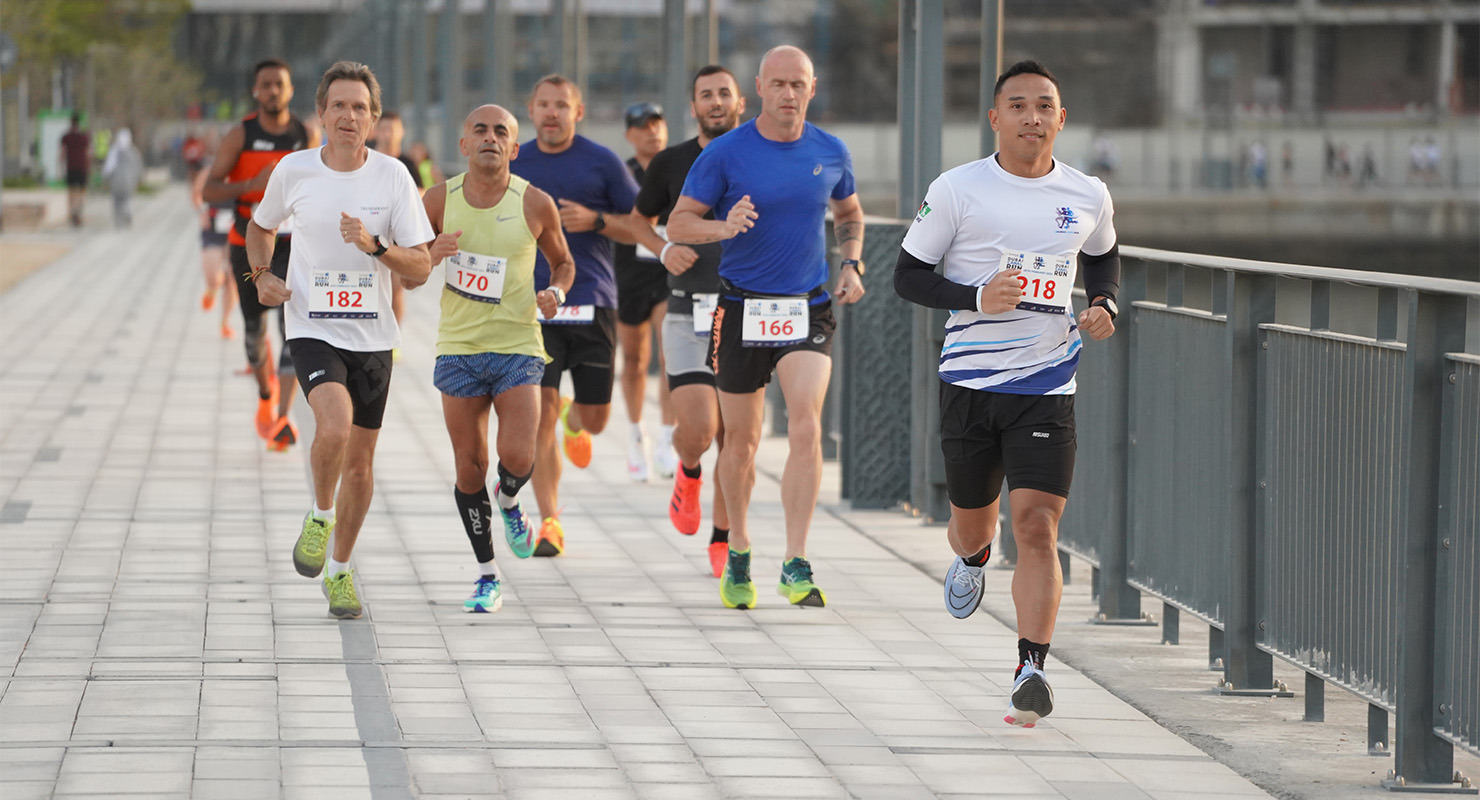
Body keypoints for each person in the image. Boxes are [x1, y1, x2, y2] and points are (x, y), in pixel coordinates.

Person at [893, 60, 1120, 729]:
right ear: (995, 119)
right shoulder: (959, 189)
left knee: (1039, 528)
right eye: (1016, 106)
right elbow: (908, 275)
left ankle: (1032, 667)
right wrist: (974, 297)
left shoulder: (1088, 194)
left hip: (1047, 386)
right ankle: (971, 558)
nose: (1031, 117)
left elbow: (1104, 254)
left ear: (1061, 118)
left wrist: (1106, 301)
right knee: (973, 526)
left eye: (1044, 106)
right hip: (969, 382)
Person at [667, 45, 866, 610]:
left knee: (806, 425)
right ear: (759, 87)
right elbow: (680, 222)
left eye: (797, 84)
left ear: (812, 86)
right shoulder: (728, 153)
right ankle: (738, 550)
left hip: (807, 305)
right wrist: (722, 226)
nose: (787, 94)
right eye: (777, 84)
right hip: (742, 307)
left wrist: (851, 261)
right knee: (743, 443)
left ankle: (796, 561)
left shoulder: (831, 151)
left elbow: (849, 213)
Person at [249, 61, 434, 619]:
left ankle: (341, 569)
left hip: (373, 336)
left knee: (361, 463)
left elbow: (421, 267)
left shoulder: (394, 177)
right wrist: (261, 278)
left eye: (360, 107)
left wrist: (376, 247)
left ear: (374, 119)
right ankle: (319, 515)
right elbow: (261, 229)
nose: (348, 116)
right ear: (321, 114)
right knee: (331, 424)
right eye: (339, 106)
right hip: (311, 325)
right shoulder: (295, 170)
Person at [421, 104, 576, 611]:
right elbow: (406, 272)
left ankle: (509, 499)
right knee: (469, 469)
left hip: (517, 346)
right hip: (459, 349)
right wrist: (428, 256)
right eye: (480, 130)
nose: (490, 137)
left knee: (518, 456)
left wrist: (556, 291)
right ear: (463, 145)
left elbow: (563, 262)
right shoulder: (437, 199)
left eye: (501, 132)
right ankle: (487, 575)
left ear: (514, 148)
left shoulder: (534, 202)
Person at [508, 74, 641, 557]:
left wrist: (599, 221)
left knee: (597, 418)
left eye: (561, 105)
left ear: (577, 112)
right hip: (532, 307)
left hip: (592, 302)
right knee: (538, 416)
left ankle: (576, 419)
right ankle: (550, 522)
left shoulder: (602, 163)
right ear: (530, 108)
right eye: (543, 104)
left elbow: (639, 226)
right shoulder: (514, 161)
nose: (551, 113)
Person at [629, 64, 745, 577]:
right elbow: (639, 221)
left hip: (748, 312)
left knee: (735, 440)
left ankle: (724, 538)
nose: (716, 102)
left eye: (725, 93)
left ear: (742, 102)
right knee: (699, 429)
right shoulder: (671, 162)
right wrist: (664, 248)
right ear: (693, 107)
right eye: (706, 95)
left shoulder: (760, 158)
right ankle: (688, 471)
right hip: (687, 312)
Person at [202, 58, 319, 452]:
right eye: (265, 85)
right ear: (256, 90)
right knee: (254, 334)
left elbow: (323, 185)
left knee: (293, 330)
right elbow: (209, 190)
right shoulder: (242, 135)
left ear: (290, 90)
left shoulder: (306, 134)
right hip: (246, 243)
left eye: (279, 84)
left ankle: (283, 417)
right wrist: (250, 185)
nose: (273, 91)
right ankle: (266, 399)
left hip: (294, 246)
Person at [613, 101, 680, 483]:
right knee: (635, 360)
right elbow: (606, 219)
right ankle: (636, 433)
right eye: (643, 126)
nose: (652, 132)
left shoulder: (678, 166)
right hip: (629, 273)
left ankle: (667, 439)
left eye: (658, 124)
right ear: (629, 135)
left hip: (669, 271)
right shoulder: (621, 174)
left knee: (670, 353)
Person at [371, 109, 426, 357]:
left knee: (396, 288)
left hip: (398, 236)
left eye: (394, 128)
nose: (389, 133)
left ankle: (392, 339)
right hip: (371, 232)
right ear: (376, 130)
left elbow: (422, 194)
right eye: (384, 127)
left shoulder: (407, 163)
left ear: (402, 132)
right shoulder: (367, 158)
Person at [192, 130, 238, 337]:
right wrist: (202, 212)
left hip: (237, 227)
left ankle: (225, 322)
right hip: (213, 227)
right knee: (214, 277)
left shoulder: (242, 172)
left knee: (233, 278)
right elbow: (197, 195)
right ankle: (211, 289)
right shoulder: (208, 172)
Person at [102, 128, 143, 228]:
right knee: (127, 199)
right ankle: (126, 214)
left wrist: (105, 178)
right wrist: (138, 178)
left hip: (116, 180)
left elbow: (108, 167)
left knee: (117, 201)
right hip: (129, 181)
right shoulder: (133, 151)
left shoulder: (114, 151)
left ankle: (119, 219)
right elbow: (138, 167)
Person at [60, 114, 91, 227]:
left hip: (71, 168)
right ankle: (79, 212)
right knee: (81, 192)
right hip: (82, 168)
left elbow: (62, 153)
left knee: (71, 192)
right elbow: (88, 154)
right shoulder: (84, 137)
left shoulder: (66, 137)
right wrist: (89, 168)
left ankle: (73, 212)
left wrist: (60, 167)